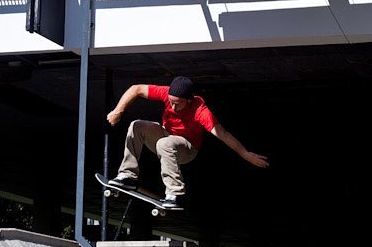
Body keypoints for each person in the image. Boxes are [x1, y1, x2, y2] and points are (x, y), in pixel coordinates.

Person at [106, 76, 269, 208]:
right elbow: (137, 89)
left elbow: (223, 134)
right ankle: (128, 176)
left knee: (165, 143)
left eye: (177, 104)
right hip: (165, 134)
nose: (173, 107)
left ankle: (175, 193)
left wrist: (245, 153)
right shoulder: (167, 93)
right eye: (170, 102)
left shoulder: (201, 112)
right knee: (137, 126)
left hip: (187, 148)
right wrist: (117, 111)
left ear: (189, 100)